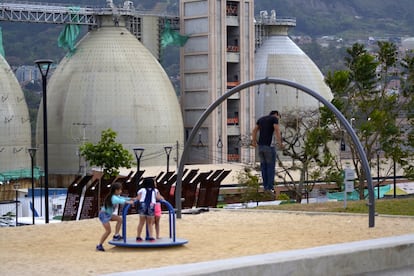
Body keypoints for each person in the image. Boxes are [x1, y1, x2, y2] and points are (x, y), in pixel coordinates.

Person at [96, 182, 135, 252]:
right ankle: (99, 245)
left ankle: (116, 235)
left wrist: (131, 199)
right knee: (108, 231)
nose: (121, 191)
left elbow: (123, 198)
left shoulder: (116, 196)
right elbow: (121, 200)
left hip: (108, 214)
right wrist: (129, 202)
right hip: (104, 215)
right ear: (116, 190)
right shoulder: (113, 197)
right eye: (120, 190)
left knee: (120, 220)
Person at [251, 110, 284, 192]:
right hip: (269, 147)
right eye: (278, 117)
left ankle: (265, 186)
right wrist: (280, 143)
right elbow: (276, 130)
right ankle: (270, 187)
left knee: (264, 167)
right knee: (270, 167)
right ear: (276, 114)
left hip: (261, 147)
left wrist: (254, 142)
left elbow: (254, 130)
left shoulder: (261, 119)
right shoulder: (274, 119)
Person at [136, 177, 164, 242]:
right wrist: (163, 199)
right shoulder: (155, 190)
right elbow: (158, 197)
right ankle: (151, 237)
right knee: (150, 223)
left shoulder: (142, 190)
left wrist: (134, 200)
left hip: (143, 205)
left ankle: (138, 236)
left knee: (141, 222)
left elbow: (139, 198)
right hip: (151, 206)